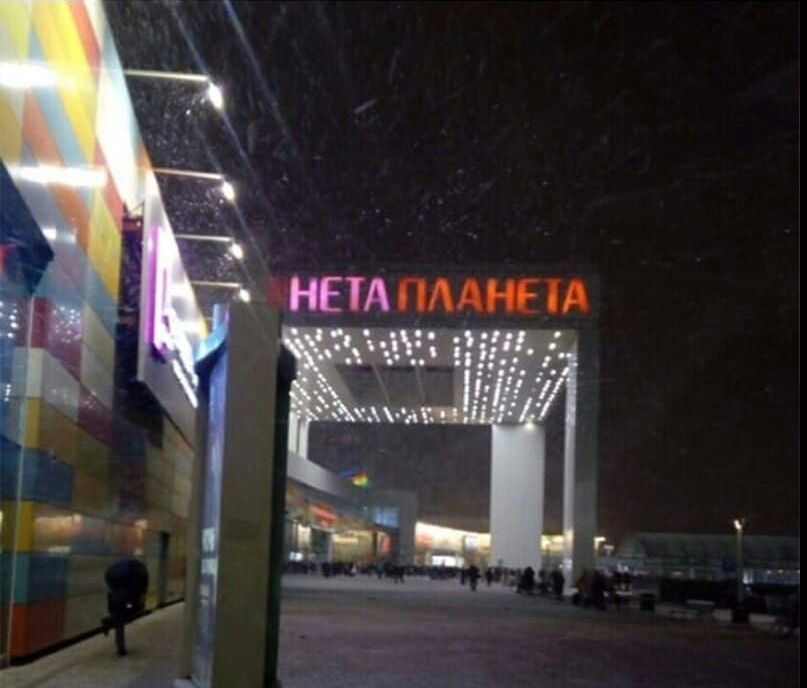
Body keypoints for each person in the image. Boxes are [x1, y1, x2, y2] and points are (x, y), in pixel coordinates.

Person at [101, 558, 148, 656]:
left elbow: (109, 582)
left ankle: (109, 622)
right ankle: (120, 648)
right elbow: (141, 591)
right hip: (125, 597)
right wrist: (138, 602)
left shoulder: (122, 568)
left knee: (120, 618)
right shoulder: (141, 573)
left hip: (115, 595)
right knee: (123, 618)